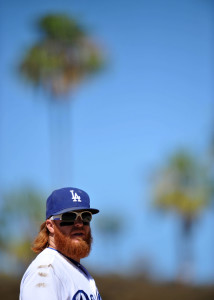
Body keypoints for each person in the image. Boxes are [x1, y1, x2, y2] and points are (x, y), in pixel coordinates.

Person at [19, 187, 102, 300]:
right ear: (50, 225)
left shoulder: (72, 268)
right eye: (69, 217)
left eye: (85, 216)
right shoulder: (45, 272)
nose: (79, 224)